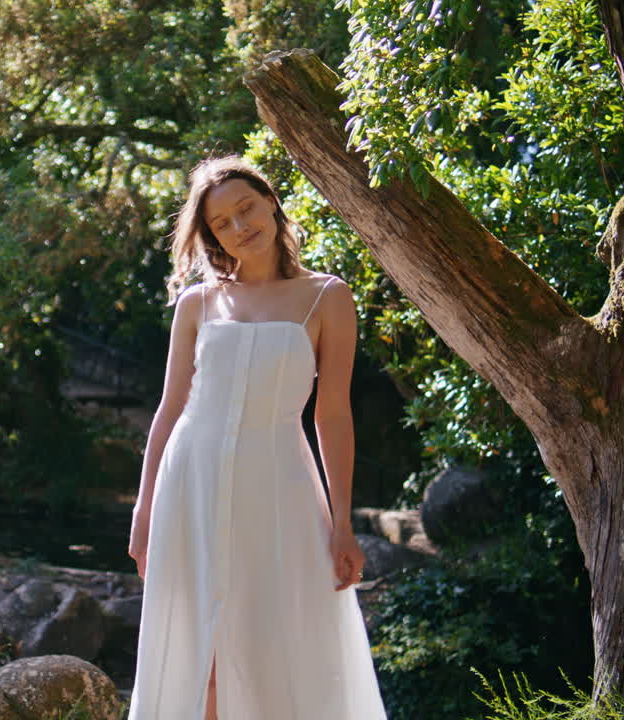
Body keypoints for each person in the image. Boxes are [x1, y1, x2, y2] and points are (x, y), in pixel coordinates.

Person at [125, 156, 388, 719]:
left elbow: (333, 414)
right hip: (190, 480)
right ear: (210, 235)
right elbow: (170, 408)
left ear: (271, 201)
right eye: (222, 222)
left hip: (279, 486)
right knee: (202, 649)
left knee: (273, 641)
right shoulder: (197, 303)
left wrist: (343, 524)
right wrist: (144, 508)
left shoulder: (327, 297)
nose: (240, 226)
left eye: (246, 208)